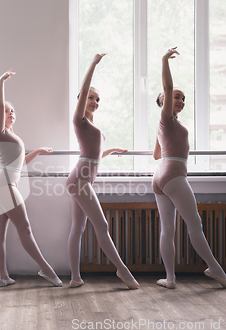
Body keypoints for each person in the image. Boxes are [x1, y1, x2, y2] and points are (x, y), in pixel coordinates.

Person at [152, 47, 226, 289]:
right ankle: (218, 271)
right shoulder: (166, 118)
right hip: (174, 175)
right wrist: (164, 60)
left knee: (168, 229)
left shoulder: (164, 125)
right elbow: (167, 87)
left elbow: (157, 154)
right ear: (164, 101)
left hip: (160, 175)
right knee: (195, 224)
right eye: (176, 96)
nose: (181, 100)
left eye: (183, 98)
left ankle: (170, 279)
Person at [66, 54, 138, 289]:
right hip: (79, 180)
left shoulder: (93, 126)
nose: (95, 101)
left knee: (78, 228)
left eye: (98, 99)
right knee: (103, 226)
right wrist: (93, 65)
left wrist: (111, 150)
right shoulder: (79, 121)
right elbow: (84, 87)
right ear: (81, 100)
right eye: (90, 98)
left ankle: (75, 277)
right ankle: (123, 271)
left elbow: (93, 154)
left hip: (84, 178)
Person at [0, 69, 62, 287]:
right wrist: (1, 82)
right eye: (6, 111)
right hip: (4, 183)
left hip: (1, 182)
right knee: (25, 228)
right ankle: (46, 269)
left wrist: (37, 150)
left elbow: (20, 164)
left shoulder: (10, 136)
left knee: (0, 231)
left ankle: (3, 277)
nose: (11, 113)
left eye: (13, 111)